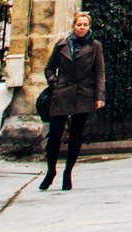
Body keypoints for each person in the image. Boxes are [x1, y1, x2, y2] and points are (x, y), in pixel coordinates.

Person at [40, 11, 105, 192]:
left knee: (76, 135)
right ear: (73, 26)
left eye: (85, 25)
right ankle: (51, 171)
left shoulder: (95, 46)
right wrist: (53, 81)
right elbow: (49, 68)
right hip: (63, 92)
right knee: (54, 136)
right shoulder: (62, 45)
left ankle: (68, 172)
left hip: (84, 93)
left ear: (89, 26)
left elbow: (100, 73)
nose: (82, 28)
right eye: (79, 25)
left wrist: (100, 96)